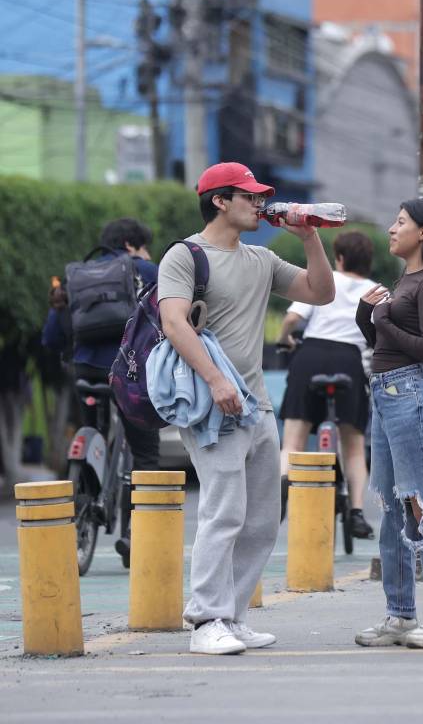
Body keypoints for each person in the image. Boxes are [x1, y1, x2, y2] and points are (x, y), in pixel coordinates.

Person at [158, 162, 335, 655]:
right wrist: (215, 380)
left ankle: (232, 617)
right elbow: (174, 323)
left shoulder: (261, 259)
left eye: (261, 197)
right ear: (219, 201)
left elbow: (321, 293)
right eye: (249, 196)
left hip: (257, 406)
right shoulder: (186, 255)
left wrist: (309, 238)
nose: (260, 205)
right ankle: (205, 620)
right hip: (211, 404)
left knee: (260, 518)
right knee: (224, 512)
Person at [353, 198, 423, 650]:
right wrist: (367, 316)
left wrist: (383, 318)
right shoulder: (406, 279)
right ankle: (400, 614)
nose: (391, 228)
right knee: (391, 506)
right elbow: (385, 343)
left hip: (414, 392)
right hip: (385, 392)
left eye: (400, 222)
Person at [42, 217, 161, 566]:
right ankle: (135, 533)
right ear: (130, 245)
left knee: (94, 427)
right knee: (145, 454)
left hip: (85, 372)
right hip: (128, 374)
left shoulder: (77, 277)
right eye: (144, 247)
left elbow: (51, 337)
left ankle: (87, 490)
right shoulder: (146, 271)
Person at [278, 230, 377, 540]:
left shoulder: (325, 278)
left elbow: (292, 319)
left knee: (293, 439)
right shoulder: (377, 290)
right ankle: (357, 513)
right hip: (349, 361)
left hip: (310, 356)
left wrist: (284, 340)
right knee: (353, 445)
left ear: (340, 257)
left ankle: (283, 484)